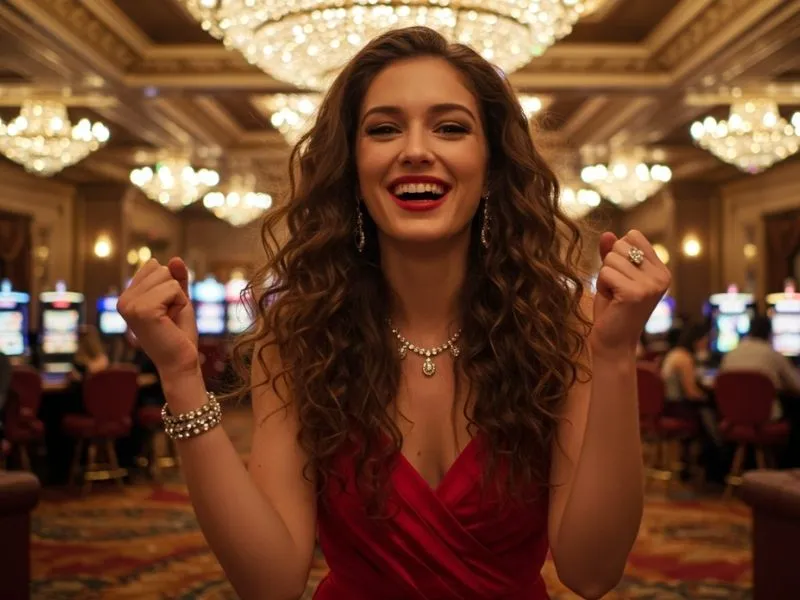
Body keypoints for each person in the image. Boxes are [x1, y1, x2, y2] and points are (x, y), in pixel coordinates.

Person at [118, 27, 670, 600]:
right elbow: (271, 582)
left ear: (493, 166)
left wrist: (614, 356)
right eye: (383, 129)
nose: (414, 150)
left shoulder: (565, 327)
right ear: (352, 168)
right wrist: (181, 379)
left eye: (450, 127)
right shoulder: (301, 335)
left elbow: (592, 570)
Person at [719, 315, 800, 420]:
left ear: (750, 332)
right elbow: (797, 386)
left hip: (733, 416)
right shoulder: (772, 354)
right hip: (767, 417)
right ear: (769, 334)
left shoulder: (731, 353)